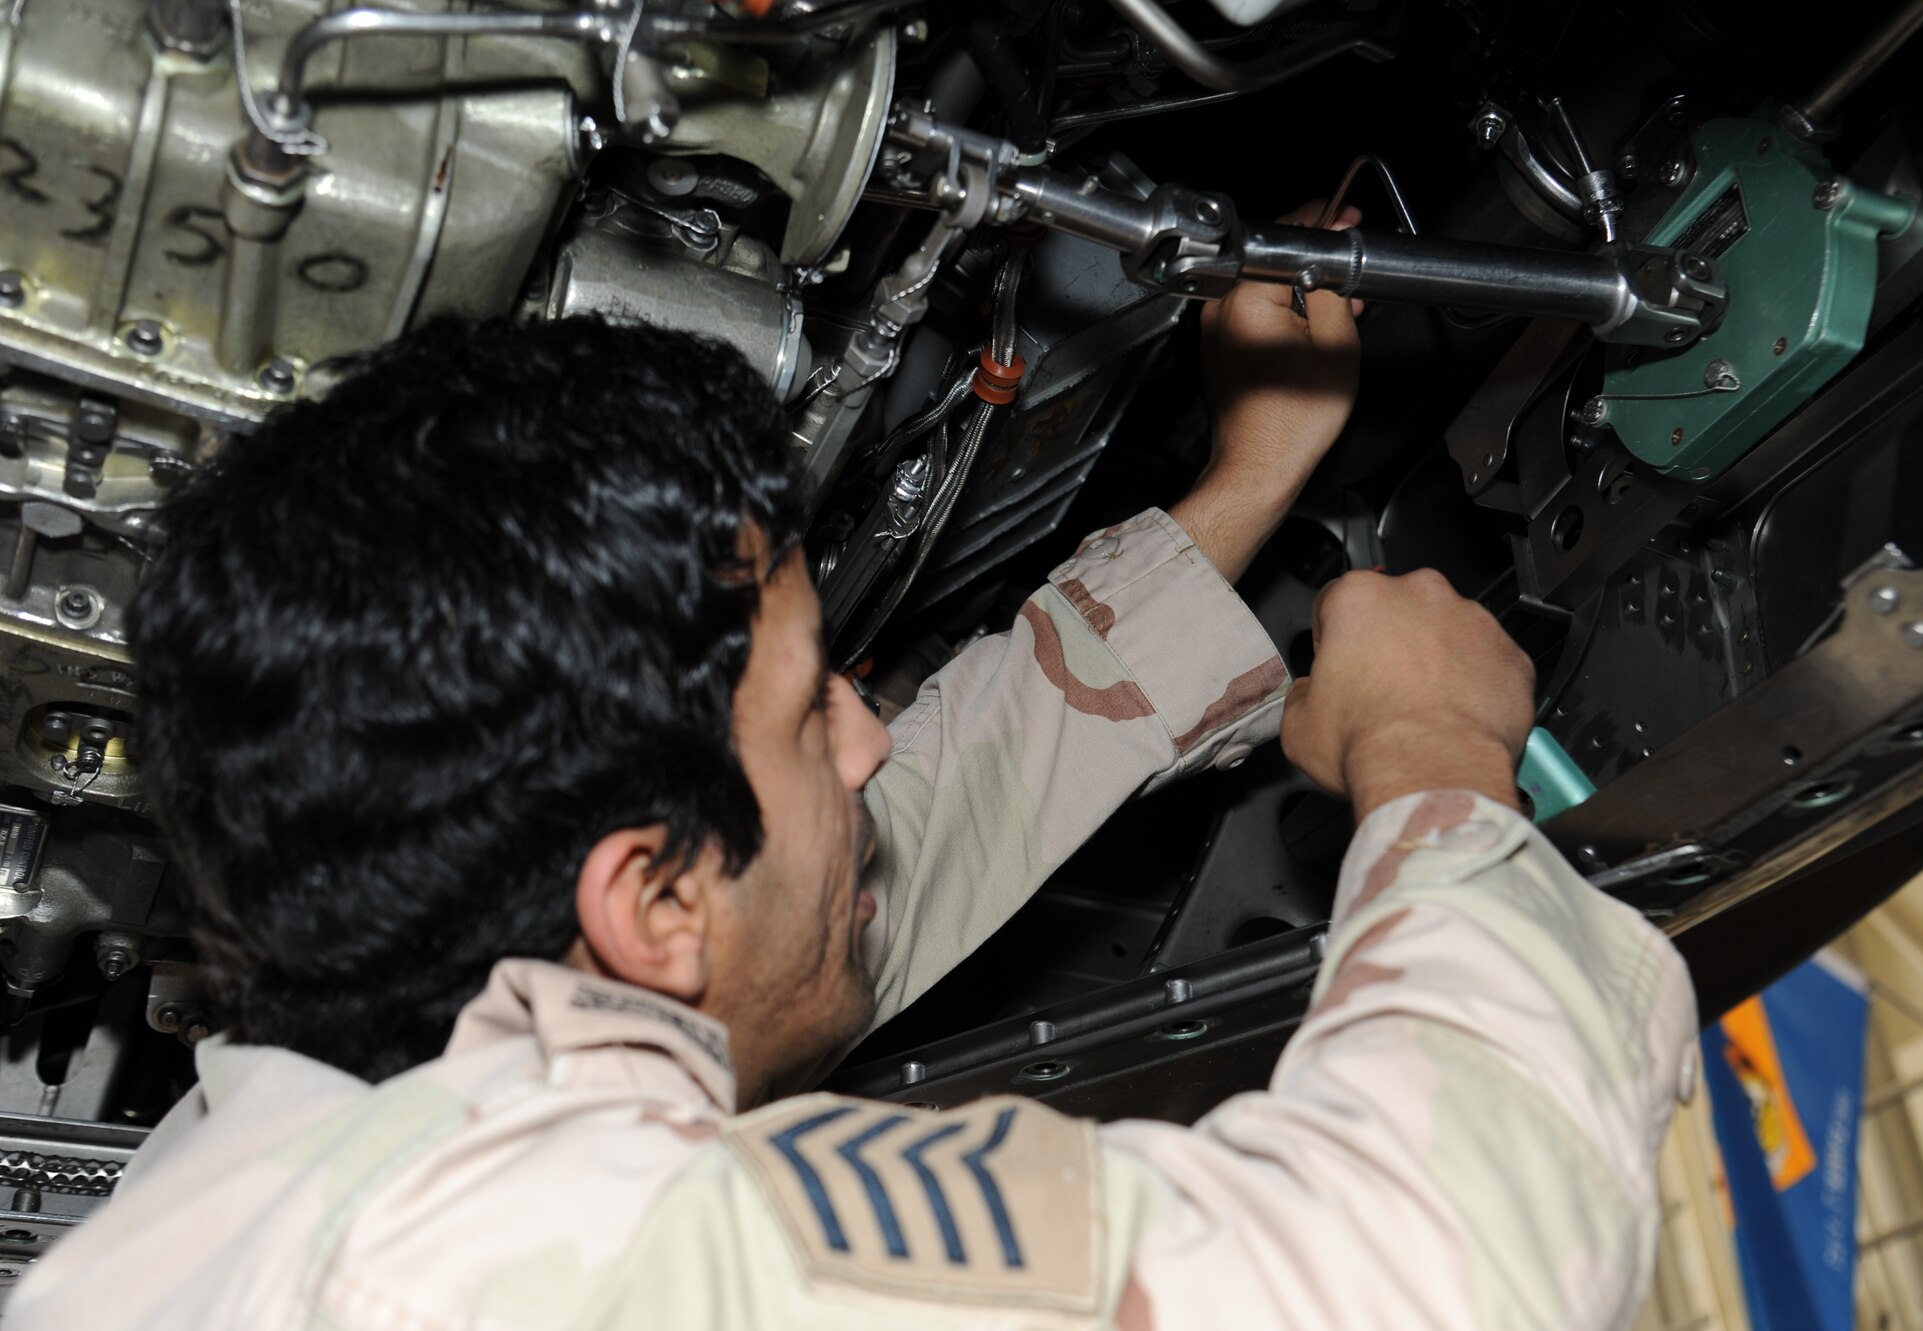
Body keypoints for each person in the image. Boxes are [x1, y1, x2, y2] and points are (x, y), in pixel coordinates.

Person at [11, 211, 1696, 1330]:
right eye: (819, 709)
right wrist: (1433, 765)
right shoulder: (554, 1269)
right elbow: (1432, 1272)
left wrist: (1251, 479)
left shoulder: (252, 1189)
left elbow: (844, 886)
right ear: (650, 899)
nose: (869, 736)